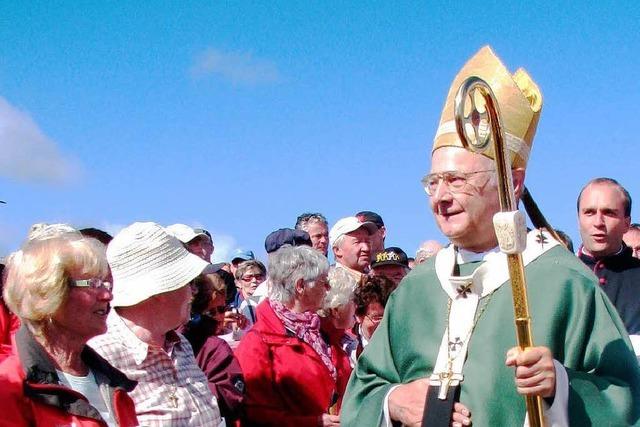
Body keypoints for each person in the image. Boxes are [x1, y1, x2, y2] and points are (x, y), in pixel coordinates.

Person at [341, 46, 640, 426]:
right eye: (433, 182)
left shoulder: (564, 281)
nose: (441, 197)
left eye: (457, 180)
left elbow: (625, 398)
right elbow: (363, 388)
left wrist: (560, 388)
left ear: (512, 183)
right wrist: (394, 401)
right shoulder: (415, 289)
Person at [89, 222, 222, 426]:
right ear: (160, 292)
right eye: (188, 283)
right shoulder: (100, 355)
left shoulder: (180, 345)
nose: (193, 293)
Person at [0, 233, 138, 426]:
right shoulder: (9, 387)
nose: (108, 295)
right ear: (48, 292)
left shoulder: (113, 382)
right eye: (94, 284)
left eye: (107, 284)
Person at [236, 245, 347, 427]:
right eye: (323, 282)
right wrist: (313, 423)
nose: (328, 288)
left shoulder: (321, 330)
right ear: (301, 286)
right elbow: (253, 414)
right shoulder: (258, 343)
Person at [577, 177, 640, 348]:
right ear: (578, 219)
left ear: (626, 223)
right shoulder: (561, 275)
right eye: (589, 212)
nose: (598, 222)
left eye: (609, 213)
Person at [179, 271, 245, 422]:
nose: (218, 316)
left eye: (222, 309)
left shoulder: (218, 340)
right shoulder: (213, 347)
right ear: (195, 311)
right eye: (210, 312)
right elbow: (231, 399)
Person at [320, 267, 358, 374]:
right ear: (336, 310)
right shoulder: (320, 345)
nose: (356, 305)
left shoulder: (342, 340)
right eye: (353, 300)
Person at [351, 275, 394, 364]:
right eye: (377, 318)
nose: (384, 324)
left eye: (389, 316)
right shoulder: (348, 350)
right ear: (359, 316)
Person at [330, 216, 377, 282]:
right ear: (337, 250)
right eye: (357, 242)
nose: (366, 248)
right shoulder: (330, 283)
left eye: (367, 241)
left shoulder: (376, 281)